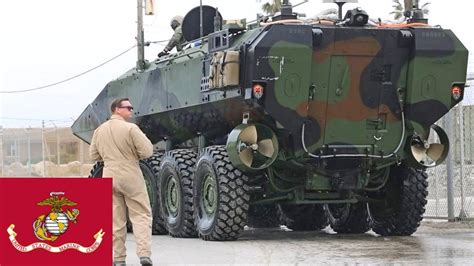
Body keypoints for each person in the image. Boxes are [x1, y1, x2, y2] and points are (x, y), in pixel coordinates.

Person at [89, 98, 154, 266]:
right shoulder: (131, 128)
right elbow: (147, 151)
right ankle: (144, 255)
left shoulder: (99, 131)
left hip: (109, 174)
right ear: (117, 109)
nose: (131, 110)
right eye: (128, 107)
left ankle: (118, 259)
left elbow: (93, 156)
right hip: (130, 172)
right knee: (140, 215)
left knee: (116, 219)